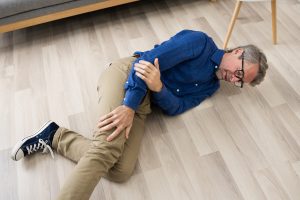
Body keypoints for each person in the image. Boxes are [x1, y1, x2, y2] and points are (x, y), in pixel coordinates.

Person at [10, 29, 268, 200]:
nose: (233, 80)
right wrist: (129, 106)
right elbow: (146, 61)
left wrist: (159, 88)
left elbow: (175, 107)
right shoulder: (200, 43)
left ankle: (55, 135)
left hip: (145, 102)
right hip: (127, 75)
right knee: (105, 151)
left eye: (240, 82)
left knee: (121, 171)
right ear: (237, 52)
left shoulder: (211, 87)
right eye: (239, 72)